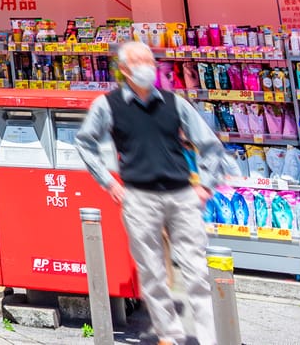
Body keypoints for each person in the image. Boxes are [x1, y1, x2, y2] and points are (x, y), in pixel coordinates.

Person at [75, 40, 233, 345]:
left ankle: (212, 338)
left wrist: (206, 185)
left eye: (149, 61)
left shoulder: (175, 103)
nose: (146, 68)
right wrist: (109, 183)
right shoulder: (108, 105)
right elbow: (85, 142)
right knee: (152, 272)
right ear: (123, 70)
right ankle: (168, 334)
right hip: (138, 196)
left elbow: (209, 144)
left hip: (182, 194)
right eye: (138, 62)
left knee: (197, 270)